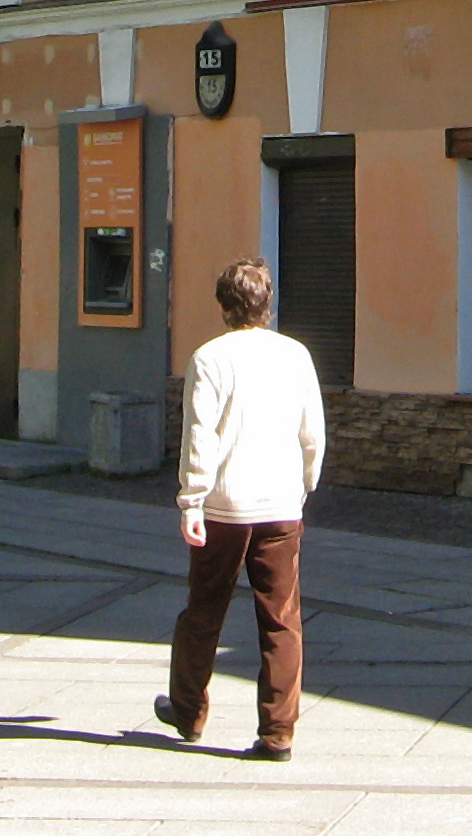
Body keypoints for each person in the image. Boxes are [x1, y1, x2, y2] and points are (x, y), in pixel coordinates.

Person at [153, 257, 323, 762]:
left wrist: (192, 500)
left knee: (204, 611)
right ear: (267, 303)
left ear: (224, 305)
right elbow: (312, 430)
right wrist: (305, 483)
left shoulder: (209, 357)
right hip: (280, 505)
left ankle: (188, 709)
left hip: (225, 507)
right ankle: (278, 733)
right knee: (281, 620)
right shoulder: (295, 355)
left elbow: (199, 435)